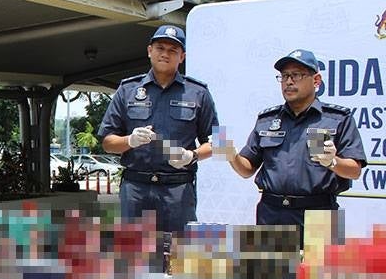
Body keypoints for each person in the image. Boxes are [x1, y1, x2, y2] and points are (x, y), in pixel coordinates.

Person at [212, 49, 366, 235]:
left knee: (319, 265)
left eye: (297, 75)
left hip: (320, 214)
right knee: (271, 265)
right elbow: (247, 169)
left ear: (316, 80)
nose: (289, 81)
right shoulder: (267, 120)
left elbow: (355, 170)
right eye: (284, 76)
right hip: (272, 212)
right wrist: (231, 156)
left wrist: (332, 161)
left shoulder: (337, 119)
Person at [98, 25, 218, 232]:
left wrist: (192, 155)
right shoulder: (127, 90)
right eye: (160, 48)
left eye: (173, 50)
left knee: (179, 256)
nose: (165, 54)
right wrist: (129, 141)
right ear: (149, 51)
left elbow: (221, 143)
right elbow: (107, 143)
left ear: (182, 57)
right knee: (135, 258)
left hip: (178, 189)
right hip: (136, 189)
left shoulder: (199, 93)